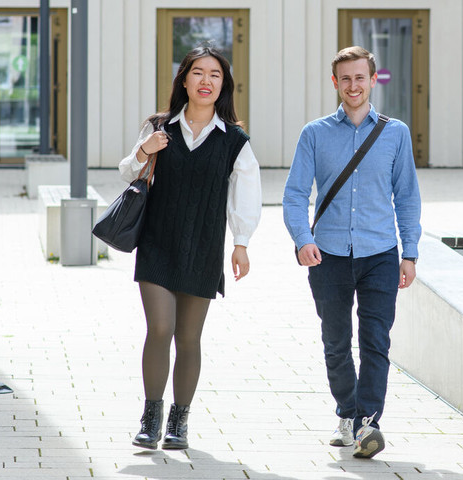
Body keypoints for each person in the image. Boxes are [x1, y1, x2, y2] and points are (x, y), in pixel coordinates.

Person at [119, 46, 261, 450]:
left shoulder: (235, 141)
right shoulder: (160, 127)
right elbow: (127, 170)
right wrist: (146, 149)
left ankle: (179, 423)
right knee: (160, 329)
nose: (205, 81)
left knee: (189, 337)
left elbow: (245, 196)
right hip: (157, 244)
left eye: (214, 75)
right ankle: (151, 415)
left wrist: (242, 243)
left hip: (202, 248)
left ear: (223, 85)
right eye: (197, 73)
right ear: (184, 80)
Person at [282, 46, 421, 459]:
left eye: (360, 78)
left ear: (373, 79)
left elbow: (407, 197)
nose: (353, 86)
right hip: (328, 256)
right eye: (345, 79)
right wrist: (303, 239)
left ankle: (367, 424)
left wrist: (409, 253)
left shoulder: (395, 133)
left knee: (376, 341)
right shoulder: (315, 134)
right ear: (335, 83)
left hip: (380, 253)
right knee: (336, 342)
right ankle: (347, 412)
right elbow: (293, 195)